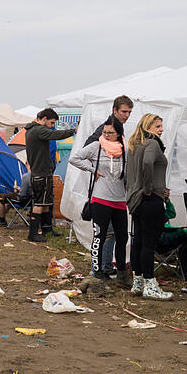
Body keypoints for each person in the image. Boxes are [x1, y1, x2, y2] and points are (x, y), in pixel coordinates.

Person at [69, 116, 129, 283]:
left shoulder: (124, 149)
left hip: (119, 200)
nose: (106, 135)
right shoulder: (96, 146)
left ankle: (123, 274)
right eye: (104, 132)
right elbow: (74, 158)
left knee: (122, 237)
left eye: (111, 133)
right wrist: (91, 170)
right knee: (100, 236)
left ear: (119, 133)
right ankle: (97, 272)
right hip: (100, 199)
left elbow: (128, 170)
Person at [126, 113, 172, 300]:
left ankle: (138, 282)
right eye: (158, 126)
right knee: (148, 243)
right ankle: (151, 285)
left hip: (136, 200)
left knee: (138, 242)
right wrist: (149, 187)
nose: (161, 129)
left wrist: (138, 190)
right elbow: (147, 163)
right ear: (148, 127)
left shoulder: (134, 146)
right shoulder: (152, 143)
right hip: (150, 199)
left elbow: (129, 173)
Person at [24, 109, 76, 242]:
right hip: (40, 173)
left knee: (47, 202)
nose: (52, 125)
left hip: (43, 172)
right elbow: (55, 134)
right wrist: (73, 131)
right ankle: (33, 233)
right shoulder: (38, 130)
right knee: (40, 203)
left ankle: (47, 228)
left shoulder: (32, 130)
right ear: (45, 118)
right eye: (52, 122)